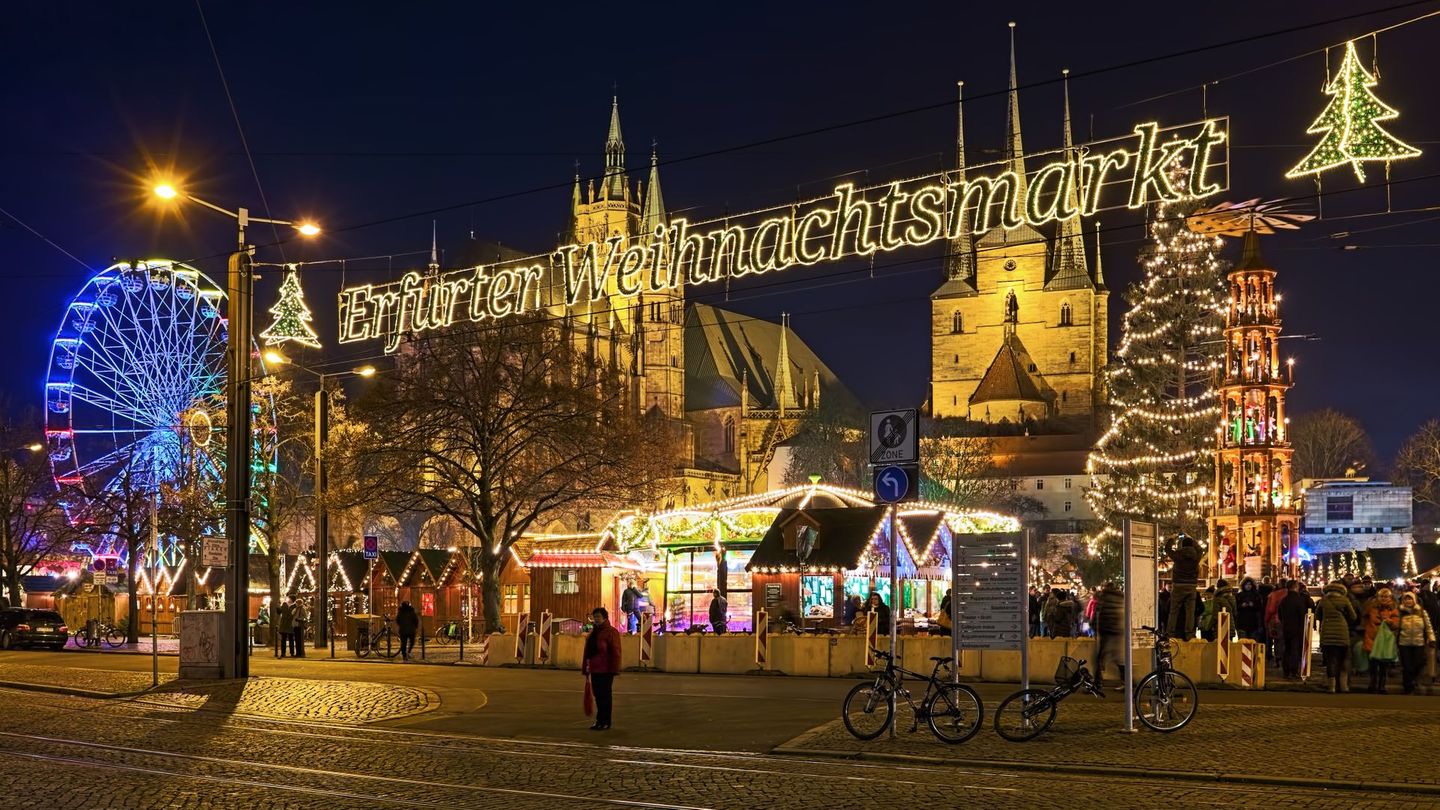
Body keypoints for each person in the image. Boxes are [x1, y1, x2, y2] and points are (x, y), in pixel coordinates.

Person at [582, 606, 622, 731]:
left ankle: (606, 721)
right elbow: (587, 652)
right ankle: (599, 721)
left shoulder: (611, 632)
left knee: (605, 696)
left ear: (605, 618)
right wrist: (586, 668)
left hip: (606, 670)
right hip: (595, 669)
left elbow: (616, 652)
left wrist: (614, 669)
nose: (596, 619)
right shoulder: (594, 633)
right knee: (598, 696)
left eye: (598, 617)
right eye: (594, 617)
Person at [1316, 580, 1357, 693]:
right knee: (1343, 659)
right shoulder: (1345, 600)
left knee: (1330, 660)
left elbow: (1317, 616)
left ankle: (1332, 686)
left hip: (1327, 633)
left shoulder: (1323, 601)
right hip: (1342, 633)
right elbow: (1353, 616)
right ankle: (1343, 685)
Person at [1362, 587, 1401, 693]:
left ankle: (1382, 685)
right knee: (1373, 665)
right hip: (1372, 637)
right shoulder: (1371, 607)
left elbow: (1396, 624)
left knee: (1383, 665)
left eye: (1386, 596)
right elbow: (1365, 618)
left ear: (1390, 597)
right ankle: (1372, 684)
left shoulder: (1393, 608)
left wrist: (1389, 621)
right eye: (1382, 596)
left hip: (1385, 640)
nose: (1384, 598)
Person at [1397, 591, 1435, 695]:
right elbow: (1396, 627)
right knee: (1407, 666)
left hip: (1419, 643)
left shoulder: (1421, 612)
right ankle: (1408, 686)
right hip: (1404, 643)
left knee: (1418, 664)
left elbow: (1428, 626)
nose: (1408, 601)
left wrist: (1431, 638)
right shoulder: (1400, 612)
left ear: (1414, 600)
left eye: (1410, 599)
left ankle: (1414, 681)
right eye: (1406, 599)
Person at [1092, 581, 1126, 690]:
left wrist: (1095, 627)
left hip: (1106, 631)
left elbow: (1099, 614)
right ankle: (1125, 680)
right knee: (1117, 658)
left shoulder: (1104, 598)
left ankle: (1097, 683)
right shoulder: (1120, 597)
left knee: (1098, 658)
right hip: (1117, 631)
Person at [1166, 535, 1201, 639]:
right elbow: (1200, 549)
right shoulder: (1196, 556)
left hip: (1178, 585)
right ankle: (1189, 633)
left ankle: (1170, 633)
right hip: (1191, 586)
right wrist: (1193, 539)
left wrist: (1172, 538)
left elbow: (1167, 549)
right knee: (1190, 611)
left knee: (1174, 611)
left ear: (1182, 545)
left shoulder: (1178, 555)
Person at [1278, 581, 1311, 679]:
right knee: (1295, 650)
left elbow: (1280, 614)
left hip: (1286, 627)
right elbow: (1302, 614)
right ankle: (1294, 671)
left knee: (1287, 649)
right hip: (1297, 628)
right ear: (1295, 587)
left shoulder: (1284, 600)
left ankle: (1286, 671)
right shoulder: (1299, 600)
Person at [1265, 579, 1290, 664]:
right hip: (1288, 620)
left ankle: (1278, 657)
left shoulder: (1274, 595)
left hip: (1275, 620)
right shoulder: (1289, 594)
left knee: (1277, 639)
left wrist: (1266, 620)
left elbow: (1270, 609)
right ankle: (1286, 657)